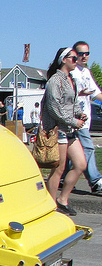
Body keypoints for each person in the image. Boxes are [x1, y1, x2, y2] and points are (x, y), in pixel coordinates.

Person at [42, 47, 87, 216]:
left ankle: (63, 199)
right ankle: (51, 205)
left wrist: (79, 113)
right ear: (64, 60)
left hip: (69, 129)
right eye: (74, 58)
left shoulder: (72, 80)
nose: (77, 60)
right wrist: (74, 120)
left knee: (80, 164)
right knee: (58, 169)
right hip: (57, 129)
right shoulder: (55, 81)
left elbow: (73, 103)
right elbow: (55, 109)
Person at [68, 40, 102, 194]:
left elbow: (96, 93)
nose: (84, 56)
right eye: (80, 54)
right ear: (75, 55)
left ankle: (64, 178)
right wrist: (80, 94)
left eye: (87, 53)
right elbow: (66, 96)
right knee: (87, 148)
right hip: (74, 118)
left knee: (72, 151)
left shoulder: (86, 72)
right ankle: (95, 181)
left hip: (85, 118)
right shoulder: (71, 72)